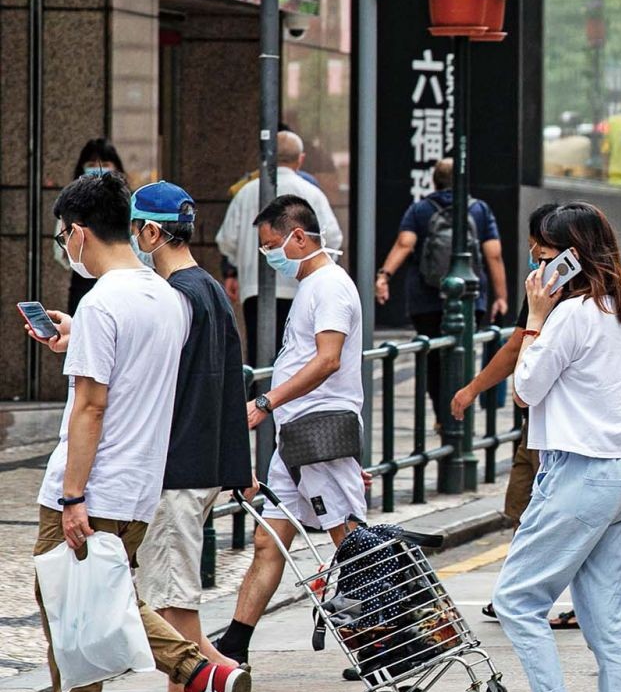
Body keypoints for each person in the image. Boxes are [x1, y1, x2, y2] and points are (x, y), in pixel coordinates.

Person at [3, 174, 250, 692]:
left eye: (64, 237)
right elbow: (136, 376)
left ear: (80, 233)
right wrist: (74, 340)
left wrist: (72, 494)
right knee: (92, 604)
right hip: (141, 483)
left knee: (75, 605)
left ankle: (198, 677)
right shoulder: (164, 296)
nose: (67, 247)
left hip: (95, 479)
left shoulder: (102, 303)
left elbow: (90, 406)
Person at [91, 183, 256, 692]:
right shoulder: (208, 289)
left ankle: (212, 681)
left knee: (168, 597)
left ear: (152, 232)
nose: (132, 239)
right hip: (205, 465)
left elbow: (146, 386)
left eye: (136, 229)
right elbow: (232, 384)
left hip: (175, 469)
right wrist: (239, 466)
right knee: (172, 591)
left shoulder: (172, 296)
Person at [495, 202, 621, 692]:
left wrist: (535, 316)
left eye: (542, 251)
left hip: (579, 473)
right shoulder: (618, 309)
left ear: (569, 257)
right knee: (606, 616)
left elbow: (526, 389)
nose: (536, 262)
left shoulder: (569, 315)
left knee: (515, 598)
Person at [214, 196, 365, 667]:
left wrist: (265, 401)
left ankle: (386, 638)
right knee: (269, 540)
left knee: (351, 540)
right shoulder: (313, 286)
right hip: (297, 436)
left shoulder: (330, 287)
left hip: (320, 433)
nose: (269, 257)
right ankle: (235, 644)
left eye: (272, 246)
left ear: (299, 237)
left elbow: (328, 358)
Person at [450, 204, 561, 622]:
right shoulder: (546, 287)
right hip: (536, 424)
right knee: (523, 505)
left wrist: (474, 388)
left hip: (555, 427)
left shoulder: (560, 296)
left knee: (537, 511)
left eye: (541, 247)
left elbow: (520, 355)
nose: (534, 256)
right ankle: (518, 592)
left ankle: (527, 596)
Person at [374, 157, 508, 427]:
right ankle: (461, 413)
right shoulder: (479, 210)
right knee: (463, 352)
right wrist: (501, 296)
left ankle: (441, 416)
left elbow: (404, 243)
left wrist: (384, 276)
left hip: (427, 298)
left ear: (434, 181)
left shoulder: (421, 209)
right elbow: (493, 255)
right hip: (469, 295)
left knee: (433, 357)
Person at [216, 130, 344, 365]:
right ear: (301, 159)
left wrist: (234, 270)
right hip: (298, 289)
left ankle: (261, 397)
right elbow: (333, 237)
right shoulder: (312, 193)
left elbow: (227, 240)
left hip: (253, 288)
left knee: (258, 359)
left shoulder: (245, 192)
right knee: (298, 356)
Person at [63, 139, 126, 314]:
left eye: (105, 164)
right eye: (90, 164)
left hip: (119, 279)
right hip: (84, 281)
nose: (98, 168)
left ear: (116, 167)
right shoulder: (71, 202)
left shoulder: (126, 201)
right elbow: (61, 251)